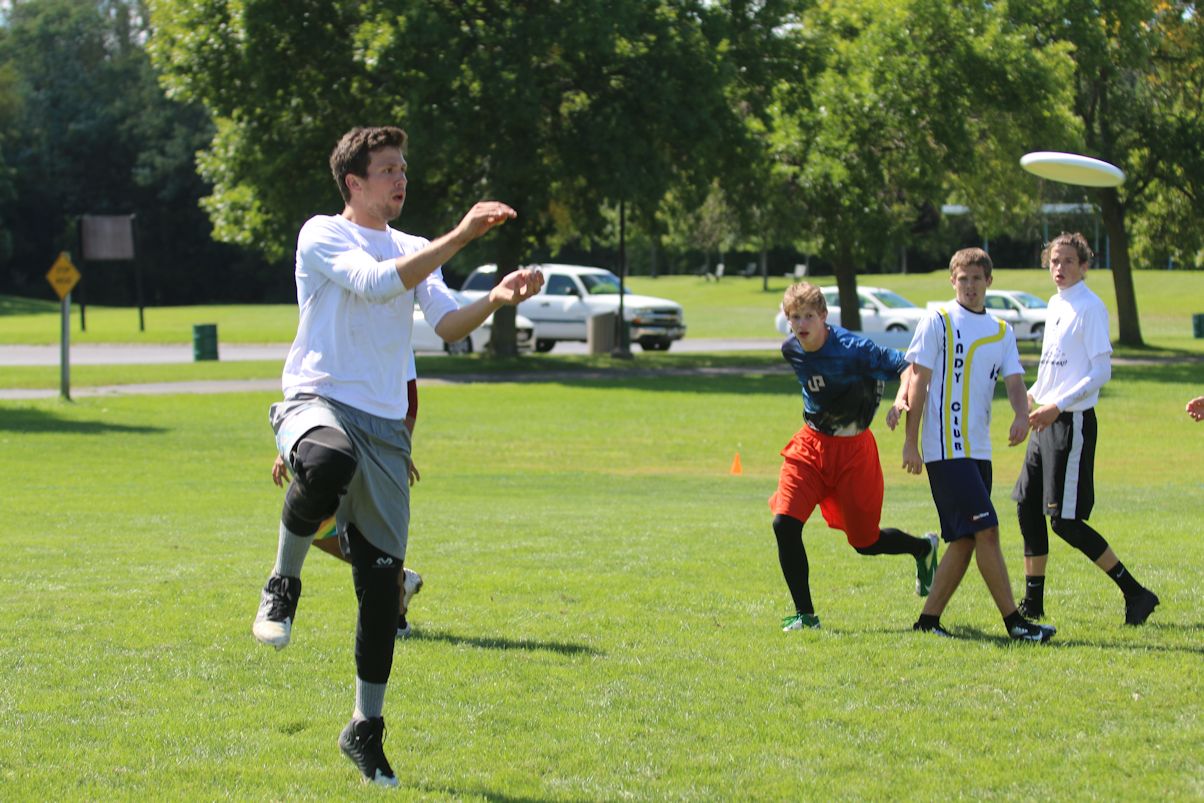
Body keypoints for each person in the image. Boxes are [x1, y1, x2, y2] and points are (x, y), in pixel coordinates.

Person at [251, 125, 543, 787]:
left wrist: (496, 298)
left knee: (382, 588)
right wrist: (462, 234)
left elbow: (445, 324)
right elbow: (376, 283)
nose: (400, 178)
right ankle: (283, 584)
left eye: (403, 168)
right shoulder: (322, 233)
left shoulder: (414, 247)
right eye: (387, 169)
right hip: (319, 399)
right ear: (354, 182)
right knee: (328, 460)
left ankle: (364, 726)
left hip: (385, 428)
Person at [901, 247, 1056, 642]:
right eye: (962, 279)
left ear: (989, 281)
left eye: (976, 278)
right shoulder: (938, 321)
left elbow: (1015, 381)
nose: (969, 286)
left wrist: (1021, 414)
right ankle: (1015, 623)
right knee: (987, 530)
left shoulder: (1001, 331)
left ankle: (928, 621)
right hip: (945, 449)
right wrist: (911, 443)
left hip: (978, 451)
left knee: (965, 539)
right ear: (952, 281)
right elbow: (918, 381)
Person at [770, 282, 939, 632]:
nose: (801, 324)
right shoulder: (791, 349)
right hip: (811, 445)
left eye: (809, 316)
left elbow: (907, 368)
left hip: (854, 452)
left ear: (824, 316)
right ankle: (806, 616)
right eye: (795, 317)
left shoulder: (853, 349)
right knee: (784, 522)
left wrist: (900, 400)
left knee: (866, 542)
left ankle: (923, 548)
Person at [1012, 232, 1159, 626]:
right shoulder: (1055, 303)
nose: (1059, 268)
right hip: (1045, 421)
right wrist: (1030, 398)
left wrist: (1057, 406)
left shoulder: (1090, 307)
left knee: (1065, 521)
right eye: (1054, 261)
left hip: (1071, 423)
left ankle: (1136, 593)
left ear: (1084, 265)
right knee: (1027, 507)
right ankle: (1033, 604)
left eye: (1068, 261)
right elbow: (1054, 368)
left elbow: (1100, 371)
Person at [270, 353, 423, 639]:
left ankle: (395, 613)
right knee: (316, 528)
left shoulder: (392, 335)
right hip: (336, 445)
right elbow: (315, 392)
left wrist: (398, 449)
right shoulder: (330, 335)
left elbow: (410, 401)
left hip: (375, 449)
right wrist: (293, 445)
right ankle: (398, 584)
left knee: (371, 533)